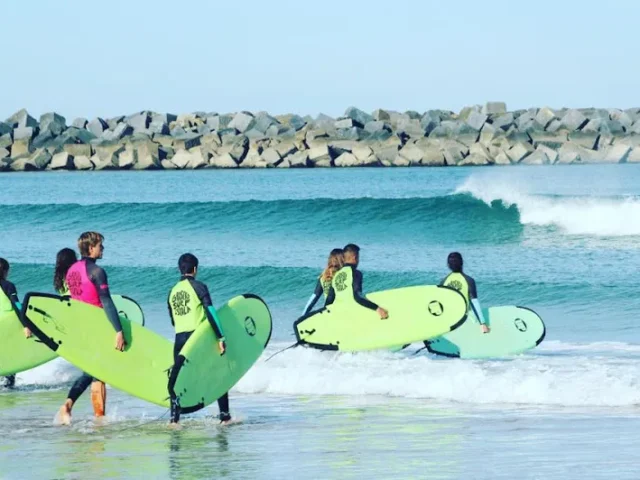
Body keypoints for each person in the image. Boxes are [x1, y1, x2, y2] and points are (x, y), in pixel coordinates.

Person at [57, 232, 125, 425]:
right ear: (91, 247)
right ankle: (72, 406)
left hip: (80, 326)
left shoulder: (72, 270)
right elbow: (107, 302)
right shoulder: (96, 271)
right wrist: (118, 330)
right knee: (96, 371)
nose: (102, 249)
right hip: (97, 325)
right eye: (100, 245)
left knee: (95, 370)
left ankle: (97, 415)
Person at [167, 253, 229, 426]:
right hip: (197, 338)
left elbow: (173, 319)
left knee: (179, 379)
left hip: (179, 340)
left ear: (180, 269)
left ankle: (174, 421)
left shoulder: (172, 292)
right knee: (218, 374)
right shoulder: (199, 286)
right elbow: (211, 313)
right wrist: (220, 336)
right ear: (195, 269)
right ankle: (225, 417)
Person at [325, 244, 388, 319]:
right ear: (355, 258)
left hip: (339, 314)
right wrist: (377, 308)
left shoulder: (336, 275)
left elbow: (329, 300)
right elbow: (357, 296)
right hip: (352, 314)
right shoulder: (355, 273)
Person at [441, 252, 490, 333]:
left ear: (448, 265)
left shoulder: (444, 281)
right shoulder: (468, 280)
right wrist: (482, 323)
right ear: (462, 263)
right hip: (466, 321)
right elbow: (474, 303)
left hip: (450, 322)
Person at [0, 258, 28, 389]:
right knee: (10, 358)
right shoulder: (8, 285)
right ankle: (9, 390)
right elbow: (17, 305)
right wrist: (26, 325)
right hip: (8, 327)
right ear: (5, 271)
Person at [301, 248, 344, 316]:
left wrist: (303, 316)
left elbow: (314, 298)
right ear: (342, 260)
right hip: (342, 313)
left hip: (329, 312)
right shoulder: (343, 276)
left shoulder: (323, 277)